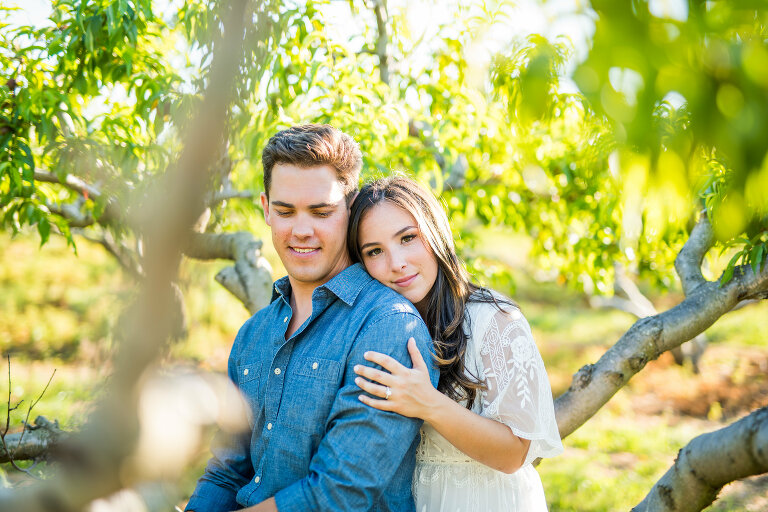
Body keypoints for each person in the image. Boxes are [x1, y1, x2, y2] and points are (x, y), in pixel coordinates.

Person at [185, 126, 439, 512]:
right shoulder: (253, 333)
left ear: (351, 208)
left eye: (321, 212)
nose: (301, 231)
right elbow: (226, 473)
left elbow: (339, 493)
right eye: (285, 211)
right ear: (266, 209)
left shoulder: (387, 327)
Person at [347, 176, 563, 511]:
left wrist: (428, 403)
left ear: (435, 232)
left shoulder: (494, 320)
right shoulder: (377, 329)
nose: (396, 263)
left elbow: (515, 453)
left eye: (407, 238)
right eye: (375, 251)